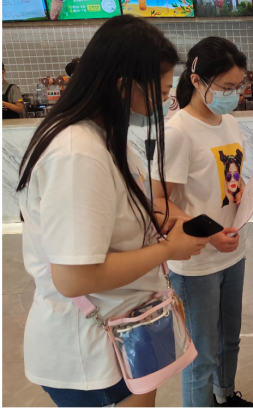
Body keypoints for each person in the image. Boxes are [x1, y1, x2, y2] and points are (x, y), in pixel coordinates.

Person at [16, 16, 209, 408]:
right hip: (93, 350)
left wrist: (174, 223)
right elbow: (74, 278)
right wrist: (168, 250)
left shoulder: (102, 136)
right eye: (160, 93)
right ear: (124, 86)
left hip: (130, 327)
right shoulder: (77, 154)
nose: (163, 104)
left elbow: (123, 211)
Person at [151, 37, 253, 409]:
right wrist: (210, 234)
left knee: (230, 340)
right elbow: (159, 202)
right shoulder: (178, 132)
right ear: (197, 81)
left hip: (233, 251)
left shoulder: (229, 122)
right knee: (201, 354)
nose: (235, 95)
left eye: (239, 86)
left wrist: (241, 191)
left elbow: (228, 176)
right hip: (196, 263)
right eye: (227, 87)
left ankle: (225, 396)